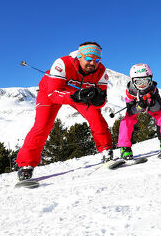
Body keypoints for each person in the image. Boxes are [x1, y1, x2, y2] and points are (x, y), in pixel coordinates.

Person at [16, 42, 112, 180]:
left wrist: (98, 100)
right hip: (51, 90)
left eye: (97, 60)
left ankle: (106, 152)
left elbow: (101, 102)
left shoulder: (101, 72)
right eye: (89, 59)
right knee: (43, 125)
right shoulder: (62, 63)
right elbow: (54, 95)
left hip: (80, 92)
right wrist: (75, 96)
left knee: (95, 116)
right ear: (80, 56)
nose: (93, 63)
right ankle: (26, 166)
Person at [117, 63, 161, 160]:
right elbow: (130, 111)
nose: (142, 85)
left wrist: (153, 103)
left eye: (146, 81)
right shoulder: (130, 91)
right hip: (137, 107)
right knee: (125, 122)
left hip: (150, 107)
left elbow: (159, 108)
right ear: (133, 81)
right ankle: (125, 149)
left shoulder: (153, 89)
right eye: (138, 82)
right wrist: (138, 106)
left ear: (150, 79)